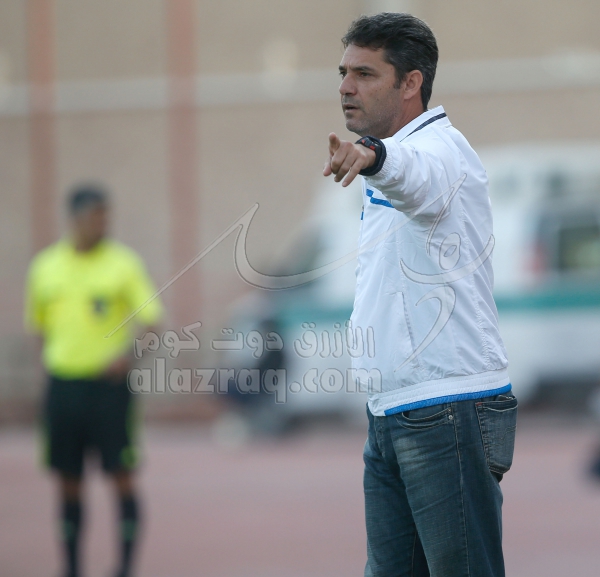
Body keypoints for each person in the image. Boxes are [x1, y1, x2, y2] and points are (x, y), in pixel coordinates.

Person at [323, 13, 517, 577]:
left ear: (411, 83)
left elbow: (416, 176)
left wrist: (376, 157)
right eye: (343, 73)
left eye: (364, 74)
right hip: (394, 411)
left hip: (447, 409)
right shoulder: (398, 154)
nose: (345, 87)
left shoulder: (440, 151)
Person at [25, 185, 162, 577]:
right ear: (75, 219)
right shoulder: (45, 267)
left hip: (108, 390)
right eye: (95, 215)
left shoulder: (123, 264)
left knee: (121, 476)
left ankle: (125, 567)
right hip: (64, 387)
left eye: (106, 215)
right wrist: (51, 364)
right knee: (68, 480)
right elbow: (38, 326)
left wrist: (128, 357)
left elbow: (153, 322)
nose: (102, 223)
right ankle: (70, 567)